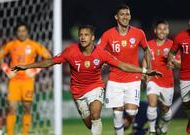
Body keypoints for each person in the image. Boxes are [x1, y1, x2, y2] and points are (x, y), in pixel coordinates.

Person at [12, 25, 161, 135]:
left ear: (92, 38)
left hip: (95, 87)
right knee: (90, 123)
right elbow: (50, 61)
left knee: (96, 114)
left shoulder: (101, 53)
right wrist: (26, 66)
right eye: (81, 35)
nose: (83, 37)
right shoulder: (70, 51)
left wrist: (144, 70)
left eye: (86, 35)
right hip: (77, 91)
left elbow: (122, 65)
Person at [97, 5, 152, 135]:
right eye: (122, 14)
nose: (125, 17)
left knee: (132, 111)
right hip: (115, 78)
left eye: (127, 14)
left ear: (130, 16)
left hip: (133, 78)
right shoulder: (108, 34)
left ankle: (127, 123)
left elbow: (147, 50)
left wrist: (148, 67)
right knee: (117, 113)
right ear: (116, 17)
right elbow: (98, 51)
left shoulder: (138, 33)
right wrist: (101, 62)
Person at [0, 22, 52, 135]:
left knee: (27, 107)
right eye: (19, 31)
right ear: (16, 32)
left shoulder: (34, 45)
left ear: (27, 32)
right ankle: (10, 134)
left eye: (24, 31)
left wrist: (35, 70)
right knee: (11, 107)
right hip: (14, 80)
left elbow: (49, 58)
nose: (22, 33)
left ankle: (25, 133)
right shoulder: (11, 45)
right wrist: (7, 70)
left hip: (28, 81)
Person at [145, 20, 180, 135]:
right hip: (153, 79)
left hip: (167, 82)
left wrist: (173, 62)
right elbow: (145, 60)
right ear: (155, 30)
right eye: (160, 29)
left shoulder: (172, 45)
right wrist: (145, 73)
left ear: (168, 31)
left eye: (164, 29)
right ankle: (152, 130)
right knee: (152, 103)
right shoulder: (148, 44)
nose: (162, 31)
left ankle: (163, 128)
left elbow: (180, 63)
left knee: (166, 109)